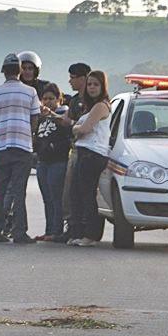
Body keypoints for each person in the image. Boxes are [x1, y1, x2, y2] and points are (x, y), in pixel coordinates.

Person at [0, 53, 41, 244]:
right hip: (23, 147)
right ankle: (19, 232)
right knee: (19, 191)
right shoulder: (30, 92)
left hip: (1, 148)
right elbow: (35, 120)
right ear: (19, 71)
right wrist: (26, 133)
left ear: (3, 72)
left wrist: (3, 132)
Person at [68, 70, 111, 247]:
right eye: (90, 84)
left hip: (93, 154)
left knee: (87, 194)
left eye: (96, 84)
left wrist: (76, 128)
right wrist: (78, 127)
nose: (92, 87)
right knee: (77, 194)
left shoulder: (101, 106)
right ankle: (79, 232)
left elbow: (84, 129)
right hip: (84, 152)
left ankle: (91, 235)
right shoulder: (91, 106)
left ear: (102, 87)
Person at [33, 83, 73, 240]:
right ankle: (49, 230)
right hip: (43, 161)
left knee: (56, 198)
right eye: (45, 99)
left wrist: (53, 146)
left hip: (58, 161)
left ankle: (57, 231)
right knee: (47, 198)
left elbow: (68, 134)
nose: (47, 102)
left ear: (59, 100)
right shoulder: (42, 118)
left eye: (51, 98)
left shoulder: (63, 114)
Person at [58, 62, 91, 241]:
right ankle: (72, 227)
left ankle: (83, 229)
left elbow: (78, 125)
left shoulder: (93, 101)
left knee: (81, 192)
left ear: (83, 78)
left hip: (88, 151)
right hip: (74, 149)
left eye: (73, 77)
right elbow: (68, 121)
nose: (70, 81)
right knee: (69, 193)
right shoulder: (74, 100)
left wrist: (71, 124)